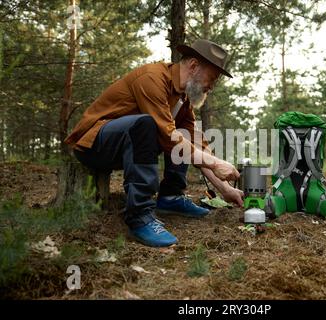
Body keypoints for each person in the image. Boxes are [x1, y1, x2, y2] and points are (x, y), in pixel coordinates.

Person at [64, 39, 244, 247]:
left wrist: (225, 189)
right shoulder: (152, 78)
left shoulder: (182, 99)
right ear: (194, 66)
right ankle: (139, 216)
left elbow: (196, 143)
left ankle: (171, 197)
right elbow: (167, 136)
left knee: (182, 133)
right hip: (93, 144)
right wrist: (214, 164)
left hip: (125, 147)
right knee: (148, 125)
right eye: (212, 78)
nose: (212, 87)